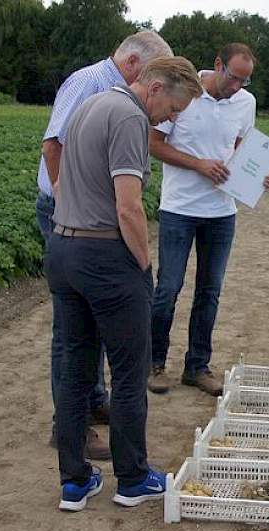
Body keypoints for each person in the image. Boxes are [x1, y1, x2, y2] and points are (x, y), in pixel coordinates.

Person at [45, 56, 203, 512]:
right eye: (173, 109)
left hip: (63, 249)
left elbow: (57, 170)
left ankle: (74, 483)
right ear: (154, 87)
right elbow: (129, 207)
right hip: (105, 257)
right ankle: (132, 479)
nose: (170, 120)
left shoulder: (90, 105)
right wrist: (143, 263)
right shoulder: (131, 118)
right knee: (130, 372)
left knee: (76, 371)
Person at [35, 31, 173, 459]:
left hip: (88, 224)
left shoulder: (115, 97)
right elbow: (53, 144)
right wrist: (65, 199)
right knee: (73, 332)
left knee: (89, 324)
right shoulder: (89, 84)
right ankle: (68, 426)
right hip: (74, 221)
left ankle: (92, 403)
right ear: (134, 64)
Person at [146, 43, 269, 396]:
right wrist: (198, 165)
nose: (238, 87)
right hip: (179, 208)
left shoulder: (245, 104)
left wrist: (259, 174)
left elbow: (240, 150)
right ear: (218, 64)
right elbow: (153, 144)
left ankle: (197, 366)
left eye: (245, 81)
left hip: (221, 213)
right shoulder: (184, 93)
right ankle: (154, 363)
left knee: (210, 292)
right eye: (234, 77)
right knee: (168, 289)